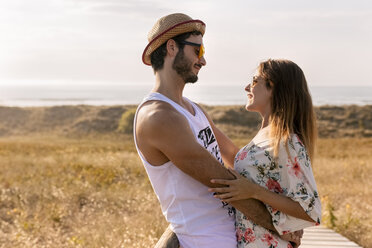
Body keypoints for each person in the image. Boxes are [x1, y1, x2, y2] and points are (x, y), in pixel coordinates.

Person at [134, 13, 302, 248]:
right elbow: (222, 182)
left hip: (237, 233)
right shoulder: (158, 117)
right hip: (207, 240)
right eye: (198, 51)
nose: (203, 61)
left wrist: (287, 207)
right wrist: (278, 225)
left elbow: (236, 158)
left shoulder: (192, 109)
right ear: (172, 47)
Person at [209, 59, 322, 247]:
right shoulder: (266, 136)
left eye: (255, 81)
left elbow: (310, 210)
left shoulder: (288, 142)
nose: (247, 87)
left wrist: (254, 191)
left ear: (274, 88)